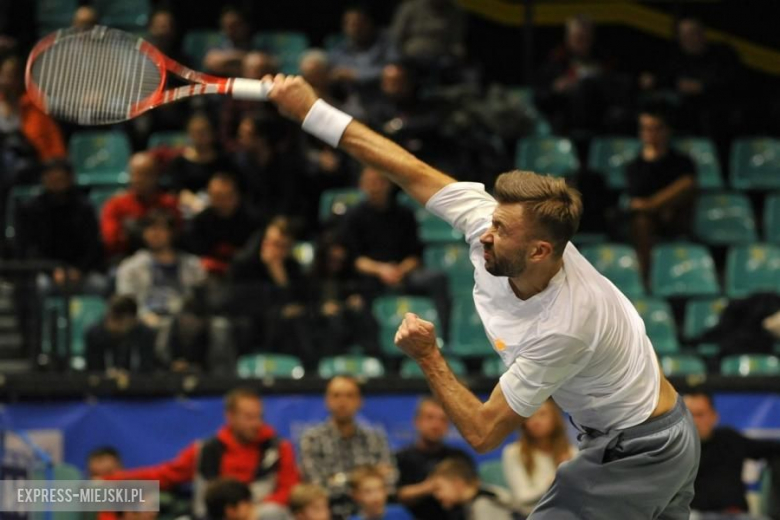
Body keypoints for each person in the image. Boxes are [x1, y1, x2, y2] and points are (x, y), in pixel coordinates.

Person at [264, 73, 697, 519]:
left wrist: (429, 356)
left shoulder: (567, 324)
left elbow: (484, 432)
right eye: (492, 221)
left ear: (539, 250)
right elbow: (405, 168)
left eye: (501, 231)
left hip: (641, 450)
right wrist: (311, 112)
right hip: (654, 434)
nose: (485, 235)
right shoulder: (490, 224)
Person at [104, 388, 299, 520]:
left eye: (259, 417)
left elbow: (288, 490)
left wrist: (250, 512)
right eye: (249, 417)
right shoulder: (204, 450)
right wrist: (112, 480)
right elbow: (166, 474)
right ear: (229, 417)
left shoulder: (279, 448)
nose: (256, 424)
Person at [341, 166, 450, 339]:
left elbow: (415, 255)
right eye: (370, 182)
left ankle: (444, 337)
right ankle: (376, 350)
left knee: (437, 278)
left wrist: (400, 270)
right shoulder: (354, 216)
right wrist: (381, 270)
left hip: (403, 273)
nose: (375, 187)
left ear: (389, 183)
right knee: (358, 295)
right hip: (372, 276)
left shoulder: (405, 214)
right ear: (362, 185)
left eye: (379, 182)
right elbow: (354, 259)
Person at [299, 376, 397, 520]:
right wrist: (367, 479)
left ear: (359, 401)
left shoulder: (376, 438)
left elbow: (391, 479)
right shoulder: (312, 439)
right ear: (327, 401)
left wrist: (337, 478)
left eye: (349, 395)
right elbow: (317, 488)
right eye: (336, 395)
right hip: (331, 514)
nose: (342, 401)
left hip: (372, 514)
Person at [115, 210, 206, 354]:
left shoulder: (192, 265)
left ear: (172, 233)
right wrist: (143, 315)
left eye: (161, 229)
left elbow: (200, 299)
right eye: (150, 229)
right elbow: (126, 301)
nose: (155, 234)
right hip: (147, 318)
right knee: (160, 329)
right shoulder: (130, 267)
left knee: (218, 327)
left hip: (182, 319)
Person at [625, 104, 696, 277]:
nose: (650, 134)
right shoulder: (635, 165)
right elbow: (636, 200)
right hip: (648, 222)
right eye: (646, 129)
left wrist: (653, 204)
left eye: (656, 129)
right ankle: (647, 276)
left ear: (667, 131)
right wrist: (652, 207)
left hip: (676, 216)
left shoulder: (682, 161)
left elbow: (687, 186)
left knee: (685, 187)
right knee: (641, 220)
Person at [230, 217, 313, 363]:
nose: (273, 249)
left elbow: (300, 302)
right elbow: (237, 300)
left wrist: (280, 277)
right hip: (251, 322)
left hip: (282, 326)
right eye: (271, 242)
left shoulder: (293, 268)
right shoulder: (244, 264)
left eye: (282, 246)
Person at [15, 159, 105, 294]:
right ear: (44, 179)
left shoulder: (84, 208)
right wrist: (52, 270)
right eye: (52, 178)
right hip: (47, 272)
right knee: (41, 286)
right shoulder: (32, 209)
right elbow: (30, 248)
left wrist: (79, 270)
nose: (56, 183)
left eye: (60, 179)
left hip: (80, 272)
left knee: (99, 285)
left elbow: (93, 245)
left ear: (70, 179)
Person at [684, 392, 780, 516]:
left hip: (735, 514)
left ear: (714, 416)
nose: (694, 421)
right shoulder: (674, 450)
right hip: (694, 514)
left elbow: (771, 449)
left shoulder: (730, 439)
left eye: (700, 414)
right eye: (689, 414)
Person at [395, 398, 473, 520]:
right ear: (417, 421)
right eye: (430, 418)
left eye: (443, 420)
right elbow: (397, 495)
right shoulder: (401, 458)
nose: (436, 425)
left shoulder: (460, 457)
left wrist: (456, 491)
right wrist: (431, 486)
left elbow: (473, 488)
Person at [536, 15, 614, 135]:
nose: (582, 43)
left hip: (598, 126)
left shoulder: (603, 61)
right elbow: (539, 98)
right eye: (577, 38)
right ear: (568, 38)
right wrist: (556, 89)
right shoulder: (556, 61)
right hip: (564, 127)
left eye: (586, 38)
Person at [501, 399, 577, 517]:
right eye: (530, 416)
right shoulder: (513, 452)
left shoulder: (572, 453)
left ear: (554, 418)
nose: (536, 421)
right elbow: (523, 497)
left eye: (542, 414)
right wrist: (557, 477)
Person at [101, 152, 181, 260]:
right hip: (126, 259)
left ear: (156, 175)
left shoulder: (168, 204)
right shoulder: (116, 204)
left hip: (163, 259)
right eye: (136, 174)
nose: (139, 179)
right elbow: (111, 241)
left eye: (146, 174)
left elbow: (177, 236)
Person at [185, 172, 261, 276]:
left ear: (237, 195)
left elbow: (252, 257)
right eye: (217, 196)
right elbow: (195, 256)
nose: (222, 201)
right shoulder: (199, 222)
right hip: (208, 275)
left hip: (245, 277)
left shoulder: (254, 220)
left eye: (227, 195)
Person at [0, 54, 66, 161]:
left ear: (22, 79)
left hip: (33, 166)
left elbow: (52, 145)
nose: (7, 81)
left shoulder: (36, 106)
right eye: (4, 75)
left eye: (12, 76)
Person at [328, 5, 398, 104]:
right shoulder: (340, 48)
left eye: (360, 23)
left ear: (370, 23)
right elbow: (334, 73)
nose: (356, 29)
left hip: (384, 98)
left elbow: (393, 68)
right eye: (351, 24)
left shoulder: (385, 41)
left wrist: (357, 75)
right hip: (354, 101)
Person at [168, 113, 234, 217]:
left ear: (212, 133)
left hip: (219, 208)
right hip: (189, 209)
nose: (199, 136)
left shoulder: (224, 161)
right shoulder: (179, 162)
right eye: (195, 132)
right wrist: (196, 204)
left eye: (203, 132)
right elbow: (178, 190)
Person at [85, 295, 158, 373]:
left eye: (119, 320)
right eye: (111, 318)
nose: (112, 325)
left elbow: (147, 370)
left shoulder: (145, 335)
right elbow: (93, 370)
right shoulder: (95, 335)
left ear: (132, 320)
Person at [429, 458, 515, 520]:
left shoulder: (483, 505)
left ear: (457, 484)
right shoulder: (475, 503)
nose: (436, 495)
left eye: (438, 489)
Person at [203, 6, 253, 76]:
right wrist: (242, 58)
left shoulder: (257, 42)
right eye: (227, 26)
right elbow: (212, 61)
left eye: (235, 26)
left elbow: (257, 62)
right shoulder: (218, 42)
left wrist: (227, 61)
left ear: (246, 26)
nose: (231, 31)